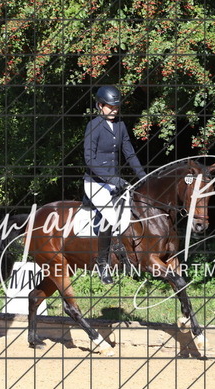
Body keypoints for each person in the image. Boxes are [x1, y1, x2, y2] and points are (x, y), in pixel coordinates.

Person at [83, 85, 146, 284]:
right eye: (110, 107)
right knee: (110, 217)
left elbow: (130, 154)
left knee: (130, 214)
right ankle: (102, 264)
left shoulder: (120, 126)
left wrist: (144, 177)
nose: (114, 110)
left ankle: (127, 259)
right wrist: (113, 179)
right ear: (100, 106)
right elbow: (89, 160)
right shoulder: (93, 126)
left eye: (116, 107)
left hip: (114, 182)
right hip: (95, 182)